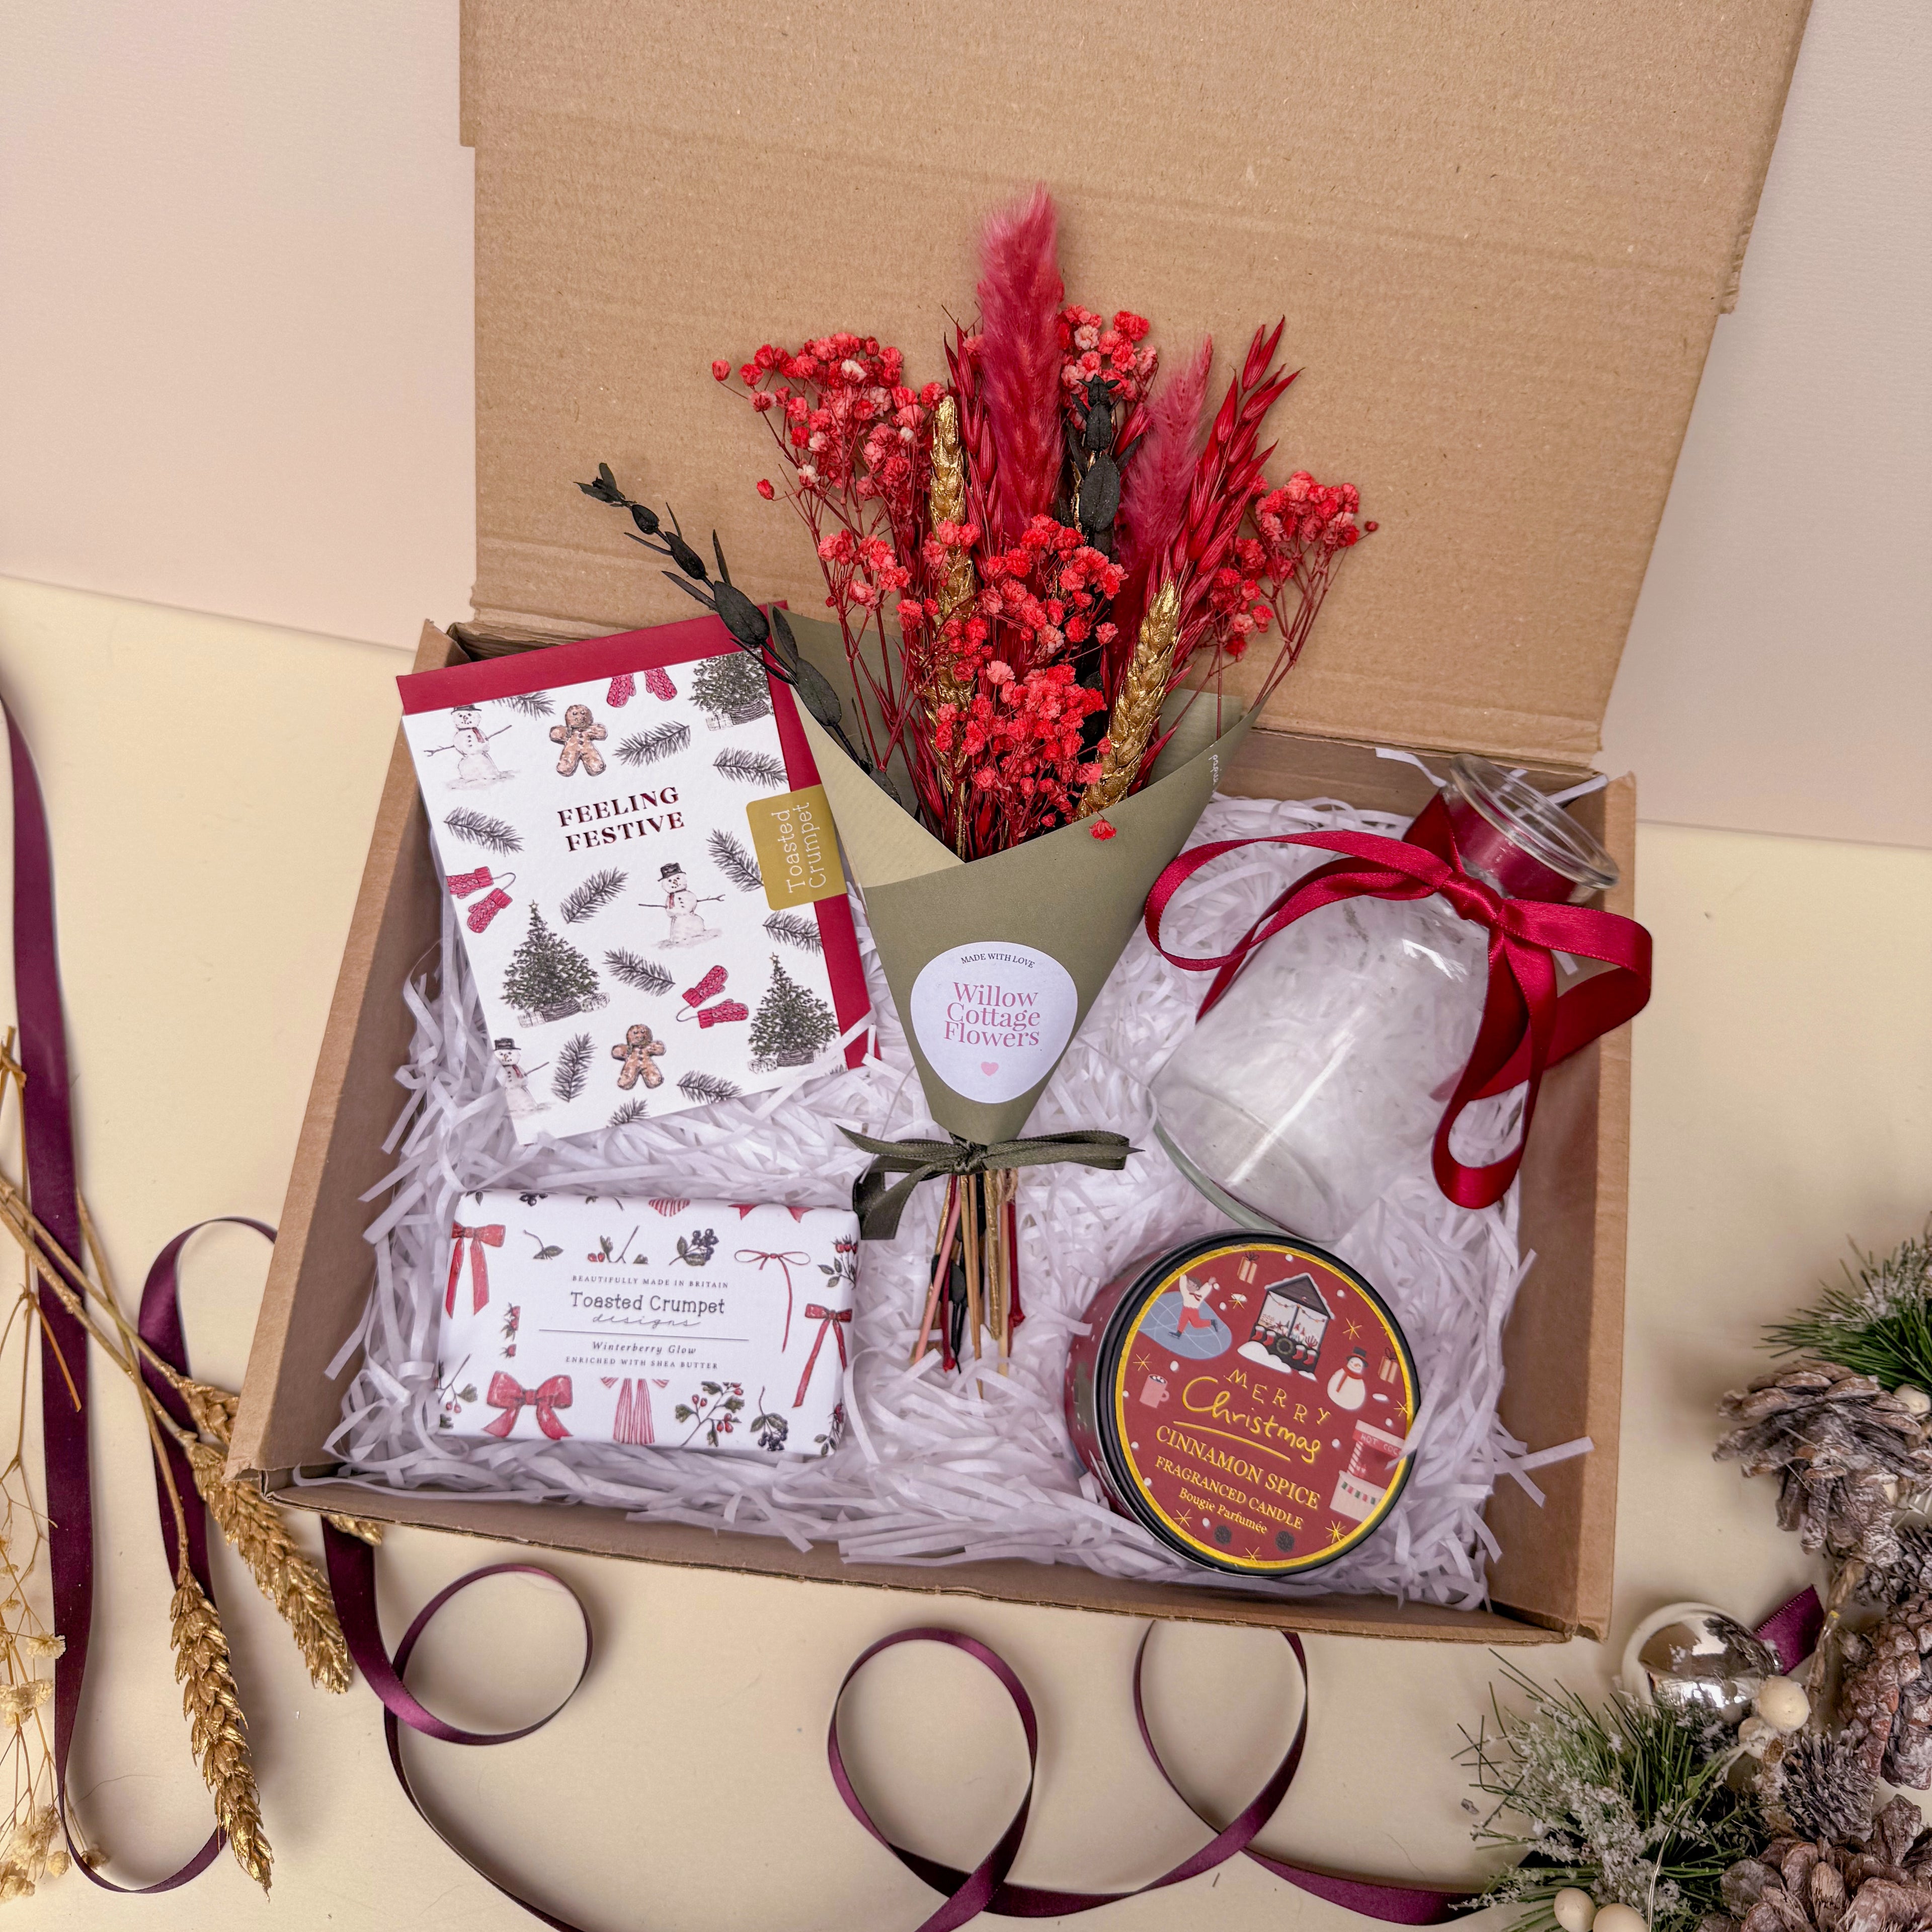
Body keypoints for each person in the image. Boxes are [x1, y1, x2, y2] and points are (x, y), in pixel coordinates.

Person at [645, 861, 722, 948]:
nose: (674, 883)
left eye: (677, 879)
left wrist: (677, 911)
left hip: (688, 919)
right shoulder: (671, 897)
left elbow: (688, 907)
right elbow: (669, 912)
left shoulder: (687, 895)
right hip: (677, 921)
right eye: (670, 881)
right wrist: (671, 911)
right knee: (677, 933)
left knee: (687, 931)